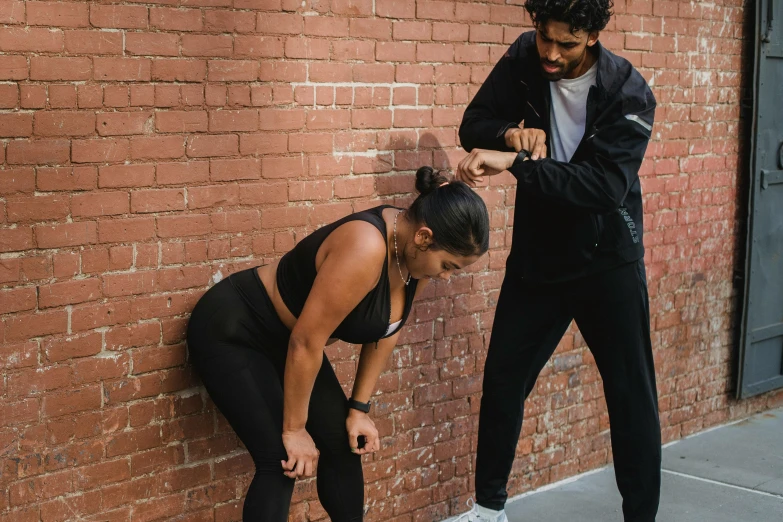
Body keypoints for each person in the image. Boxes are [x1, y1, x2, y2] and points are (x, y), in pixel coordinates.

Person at [453, 1, 661, 521]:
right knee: (504, 381)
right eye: (543, 36)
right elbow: (473, 124)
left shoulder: (628, 92)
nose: (549, 52)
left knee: (630, 396)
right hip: (540, 256)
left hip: (607, 258)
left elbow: (604, 187)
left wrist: (517, 164)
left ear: (591, 35)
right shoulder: (527, 57)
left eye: (564, 43)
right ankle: (488, 510)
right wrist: (510, 135)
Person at [186, 167, 489, 522]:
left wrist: (358, 409)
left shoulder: (413, 260)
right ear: (424, 238)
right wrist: (294, 429)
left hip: (292, 341)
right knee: (281, 460)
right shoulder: (366, 246)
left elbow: (389, 329)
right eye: (448, 265)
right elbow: (306, 342)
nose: (446, 277)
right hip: (236, 329)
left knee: (343, 447)